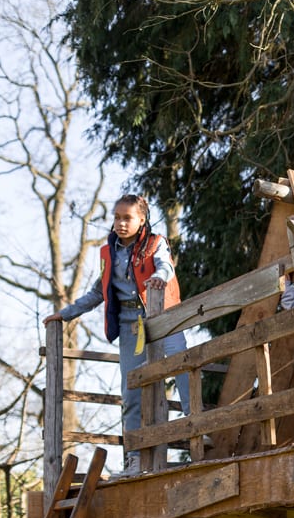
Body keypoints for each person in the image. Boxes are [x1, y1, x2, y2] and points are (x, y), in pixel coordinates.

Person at [43, 194, 199, 477]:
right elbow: (97, 292)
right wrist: (65, 315)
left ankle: (196, 428)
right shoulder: (108, 253)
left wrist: (160, 277)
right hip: (130, 324)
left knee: (182, 364)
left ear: (142, 219)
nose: (120, 223)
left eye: (127, 218)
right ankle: (135, 458)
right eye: (116, 217)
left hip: (163, 315)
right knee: (131, 392)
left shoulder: (156, 243)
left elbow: (165, 266)